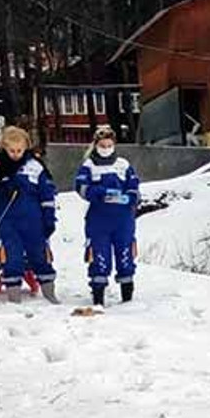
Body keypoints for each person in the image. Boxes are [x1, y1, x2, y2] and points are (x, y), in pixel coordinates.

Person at [0, 126, 59, 304]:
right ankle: (14, 295)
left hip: (34, 220)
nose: (15, 154)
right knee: (11, 256)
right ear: (4, 147)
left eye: (19, 150)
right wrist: (0, 190)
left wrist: (49, 218)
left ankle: (49, 292)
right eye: (11, 150)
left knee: (40, 255)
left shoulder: (35, 166)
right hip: (7, 221)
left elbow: (47, 194)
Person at [74, 126, 140, 306]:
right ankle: (98, 297)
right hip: (98, 220)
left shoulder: (123, 164)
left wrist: (132, 197)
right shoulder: (88, 165)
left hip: (123, 219)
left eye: (109, 145)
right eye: (102, 145)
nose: (106, 148)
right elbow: (80, 187)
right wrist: (100, 192)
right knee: (99, 256)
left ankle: (128, 298)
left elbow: (134, 184)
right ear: (95, 145)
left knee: (125, 255)